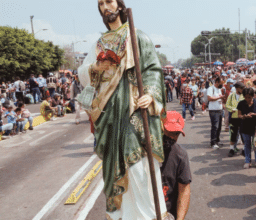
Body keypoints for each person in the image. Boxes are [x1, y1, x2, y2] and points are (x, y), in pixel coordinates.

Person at [78, 1, 168, 219]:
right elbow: (83, 72)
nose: (105, 6)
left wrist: (152, 95)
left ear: (119, 4)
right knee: (113, 169)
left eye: (109, 1)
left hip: (133, 110)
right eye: (101, 3)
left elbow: (153, 70)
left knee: (138, 167)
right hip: (109, 115)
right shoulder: (99, 43)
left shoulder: (137, 36)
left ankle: (148, 216)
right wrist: (95, 68)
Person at [160, 111, 192, 220]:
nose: (173, 137)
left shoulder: (180, 155)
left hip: (167, 214)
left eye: (176, 134)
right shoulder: (142, 151)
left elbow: (184, 190)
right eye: (170, 131)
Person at [237, 87, 256, 169]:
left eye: (249, 97)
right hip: (245, 127)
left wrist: (255, 114)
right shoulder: (241, 103)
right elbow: (239, 115)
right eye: (246, 97)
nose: (247, 99)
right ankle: (248, 161)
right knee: (247, 145)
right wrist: (244, 116)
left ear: (253, 96)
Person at [225, 82, 245, 157]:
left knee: (243, 134)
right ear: (237, 88)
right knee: (233, 134)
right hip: (233, 117)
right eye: (241, 88)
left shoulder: (244, 95)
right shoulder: (231, 95)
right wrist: (231, 109)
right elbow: (227, 105)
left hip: (242, 117)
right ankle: (232, 149)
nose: (243, 90)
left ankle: (244, 149)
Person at [207, 77, 224, 149]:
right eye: (221, 83)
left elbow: (219, 99)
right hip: (213, 111)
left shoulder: (219, 89)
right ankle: (213, 143)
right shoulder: (211, 89)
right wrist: (219, 98)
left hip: (220, 110)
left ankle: (217, 140)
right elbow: (209, 98)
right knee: (215, 127)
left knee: (219, 127)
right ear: (217, 82)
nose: (222, 85)